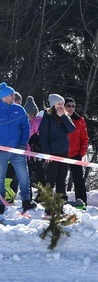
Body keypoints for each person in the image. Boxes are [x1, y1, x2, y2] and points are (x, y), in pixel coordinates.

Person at [0, 82, 37, 213]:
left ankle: (26, 200)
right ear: (3, 96)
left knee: (23, 175)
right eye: (11, 96)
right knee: (1, 177)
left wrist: (22, 143)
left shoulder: (19, 109)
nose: (13, 98)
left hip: (17, 149)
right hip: (1, 151)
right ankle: (1, 203)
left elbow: (25, 127)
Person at [39, 93, 76, 203]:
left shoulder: (65, 116)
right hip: (52, 153)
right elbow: (43, 136)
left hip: (64, 152)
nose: (61, 106)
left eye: (62, 104)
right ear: (53, 105)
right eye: (58, 104)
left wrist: (64, 117)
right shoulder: (47, 117)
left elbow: (72, 129)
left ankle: (61, 203)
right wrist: (47, 153)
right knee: (51, 180)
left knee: (62, 179)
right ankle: (48, 206)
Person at [65, 97, 89, 205]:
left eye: (73, 106)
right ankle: (59, 200)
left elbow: (84, 138)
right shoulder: (59, 118)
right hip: (61, 153)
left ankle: (82, 201)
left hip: (75, 154)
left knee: (78, 179)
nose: (71, 108)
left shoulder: (80, 120)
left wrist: (81, 153)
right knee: (59, 179)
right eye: (68, 106)